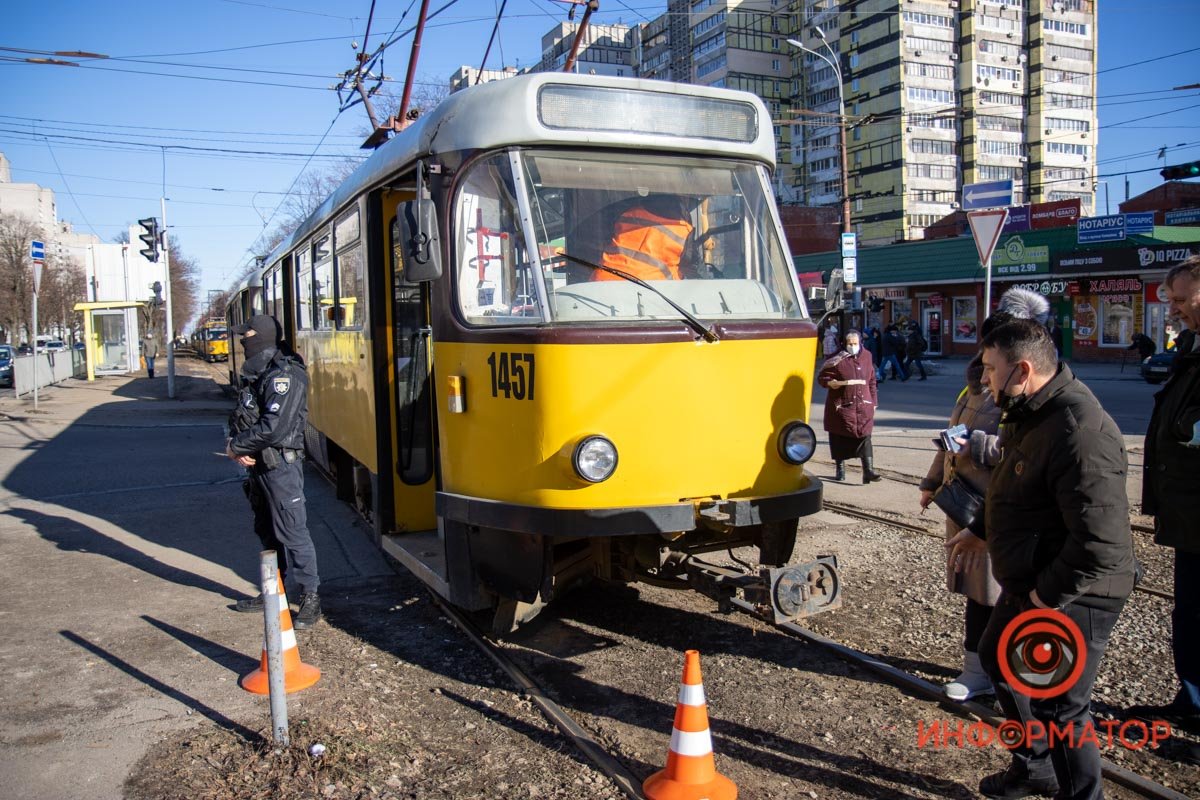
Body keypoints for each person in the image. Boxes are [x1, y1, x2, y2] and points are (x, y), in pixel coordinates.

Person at [954, 319, 1136, 800]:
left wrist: (1042, 597)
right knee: (998, 656)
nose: (984, 378)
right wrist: (980, 531)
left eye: (991, 368)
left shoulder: (1080, 432)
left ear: (1023, 370)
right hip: (1034, 579)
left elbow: (1101, 545)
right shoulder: (1032, 411)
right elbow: (1018, 490)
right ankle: (1035, 766)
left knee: (1061, 706)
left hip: (1074, 592)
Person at [921, 287, 1052, 703]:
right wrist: (931, 481)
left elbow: (1022, 451)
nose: (984, 360)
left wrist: (974, 446)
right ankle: (980, 670)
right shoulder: (974, 387)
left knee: (1000, 593)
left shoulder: (1023, 395)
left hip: (997, 508)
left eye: (992, 354)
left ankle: (1003, 675)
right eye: (984, 352)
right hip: (966, 504)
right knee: (979, 593)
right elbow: (951, 437)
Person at [1127, 256, 1200, 742]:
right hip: (1190, 510)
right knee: (1191, 610)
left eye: (1181, 299)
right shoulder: (1193, 345)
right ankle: (1192, 701)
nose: (1172, 309)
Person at [226, 314, 322, 629]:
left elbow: (273, 428)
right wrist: (238, 444)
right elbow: (243, 416)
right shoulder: (259, 373)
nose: (243, 339)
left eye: (248, 333)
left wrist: (237, 448)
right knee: (266, 531)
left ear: (264, 336)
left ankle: (310, 598)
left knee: (293, 533)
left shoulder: (286, 376)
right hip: (259, 466)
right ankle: (273, 591)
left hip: (281, 465)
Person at [818, 330, 881, 483]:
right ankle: (840, 470)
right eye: (849, 344)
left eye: (855, 344)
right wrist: (829, 383)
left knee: (865, 436)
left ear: (860, 343)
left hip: (863, 405)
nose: (852, 346)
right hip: (842, 406)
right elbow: (822, 378)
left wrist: (874, 402)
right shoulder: (836, 359)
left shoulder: (867, 356)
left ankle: (868, 471)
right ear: (844, 344)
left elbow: (871, 381)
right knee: (839, 436)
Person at [593, 195, 694, 283]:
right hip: (652, 289)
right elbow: (690, 264)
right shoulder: (683, 228)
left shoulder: (630, 212)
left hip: (603, 282)